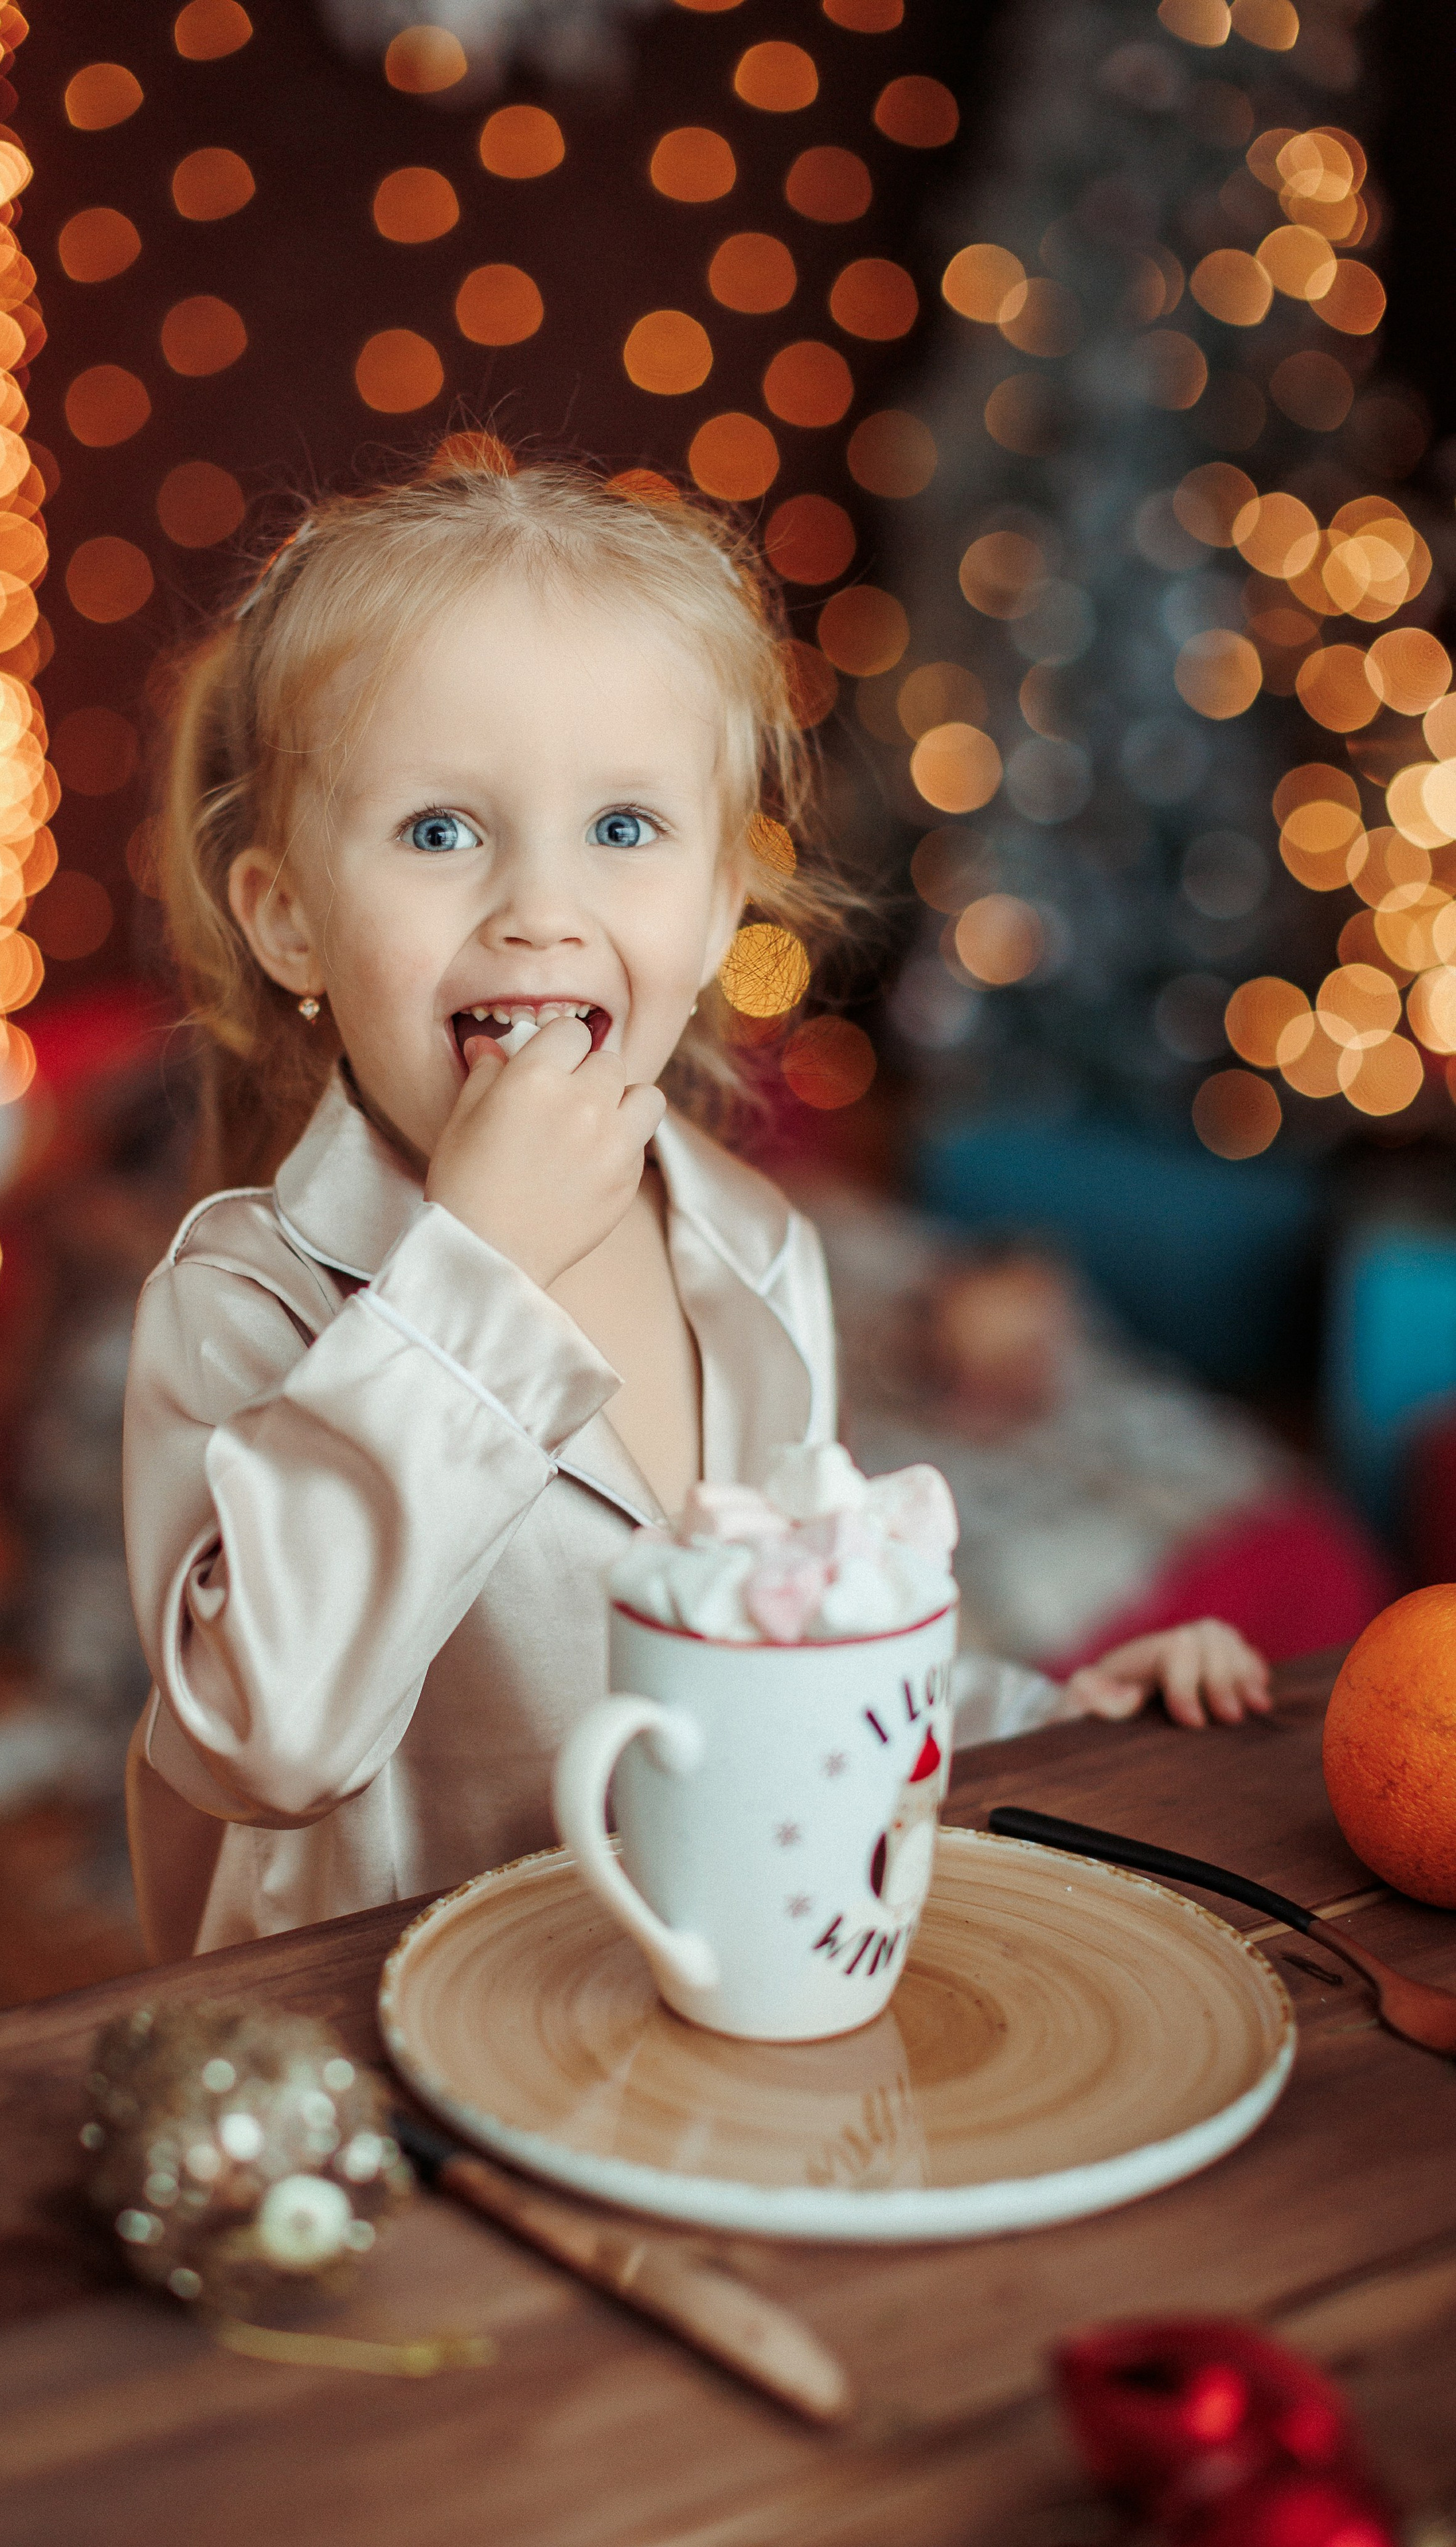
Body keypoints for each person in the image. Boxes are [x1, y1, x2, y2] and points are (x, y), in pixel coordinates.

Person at [122, 450, 1270, 1962]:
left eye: (620, 829)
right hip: (367, 2085)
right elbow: (263, 1741)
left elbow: (782, 1644)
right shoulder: (242, 1300)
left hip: (683, 2010)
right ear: (288, 921)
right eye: (438, 831)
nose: (540, 907)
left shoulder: (752, 1243)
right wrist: (478, 1273)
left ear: (719, 905)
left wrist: (1043, 1720)